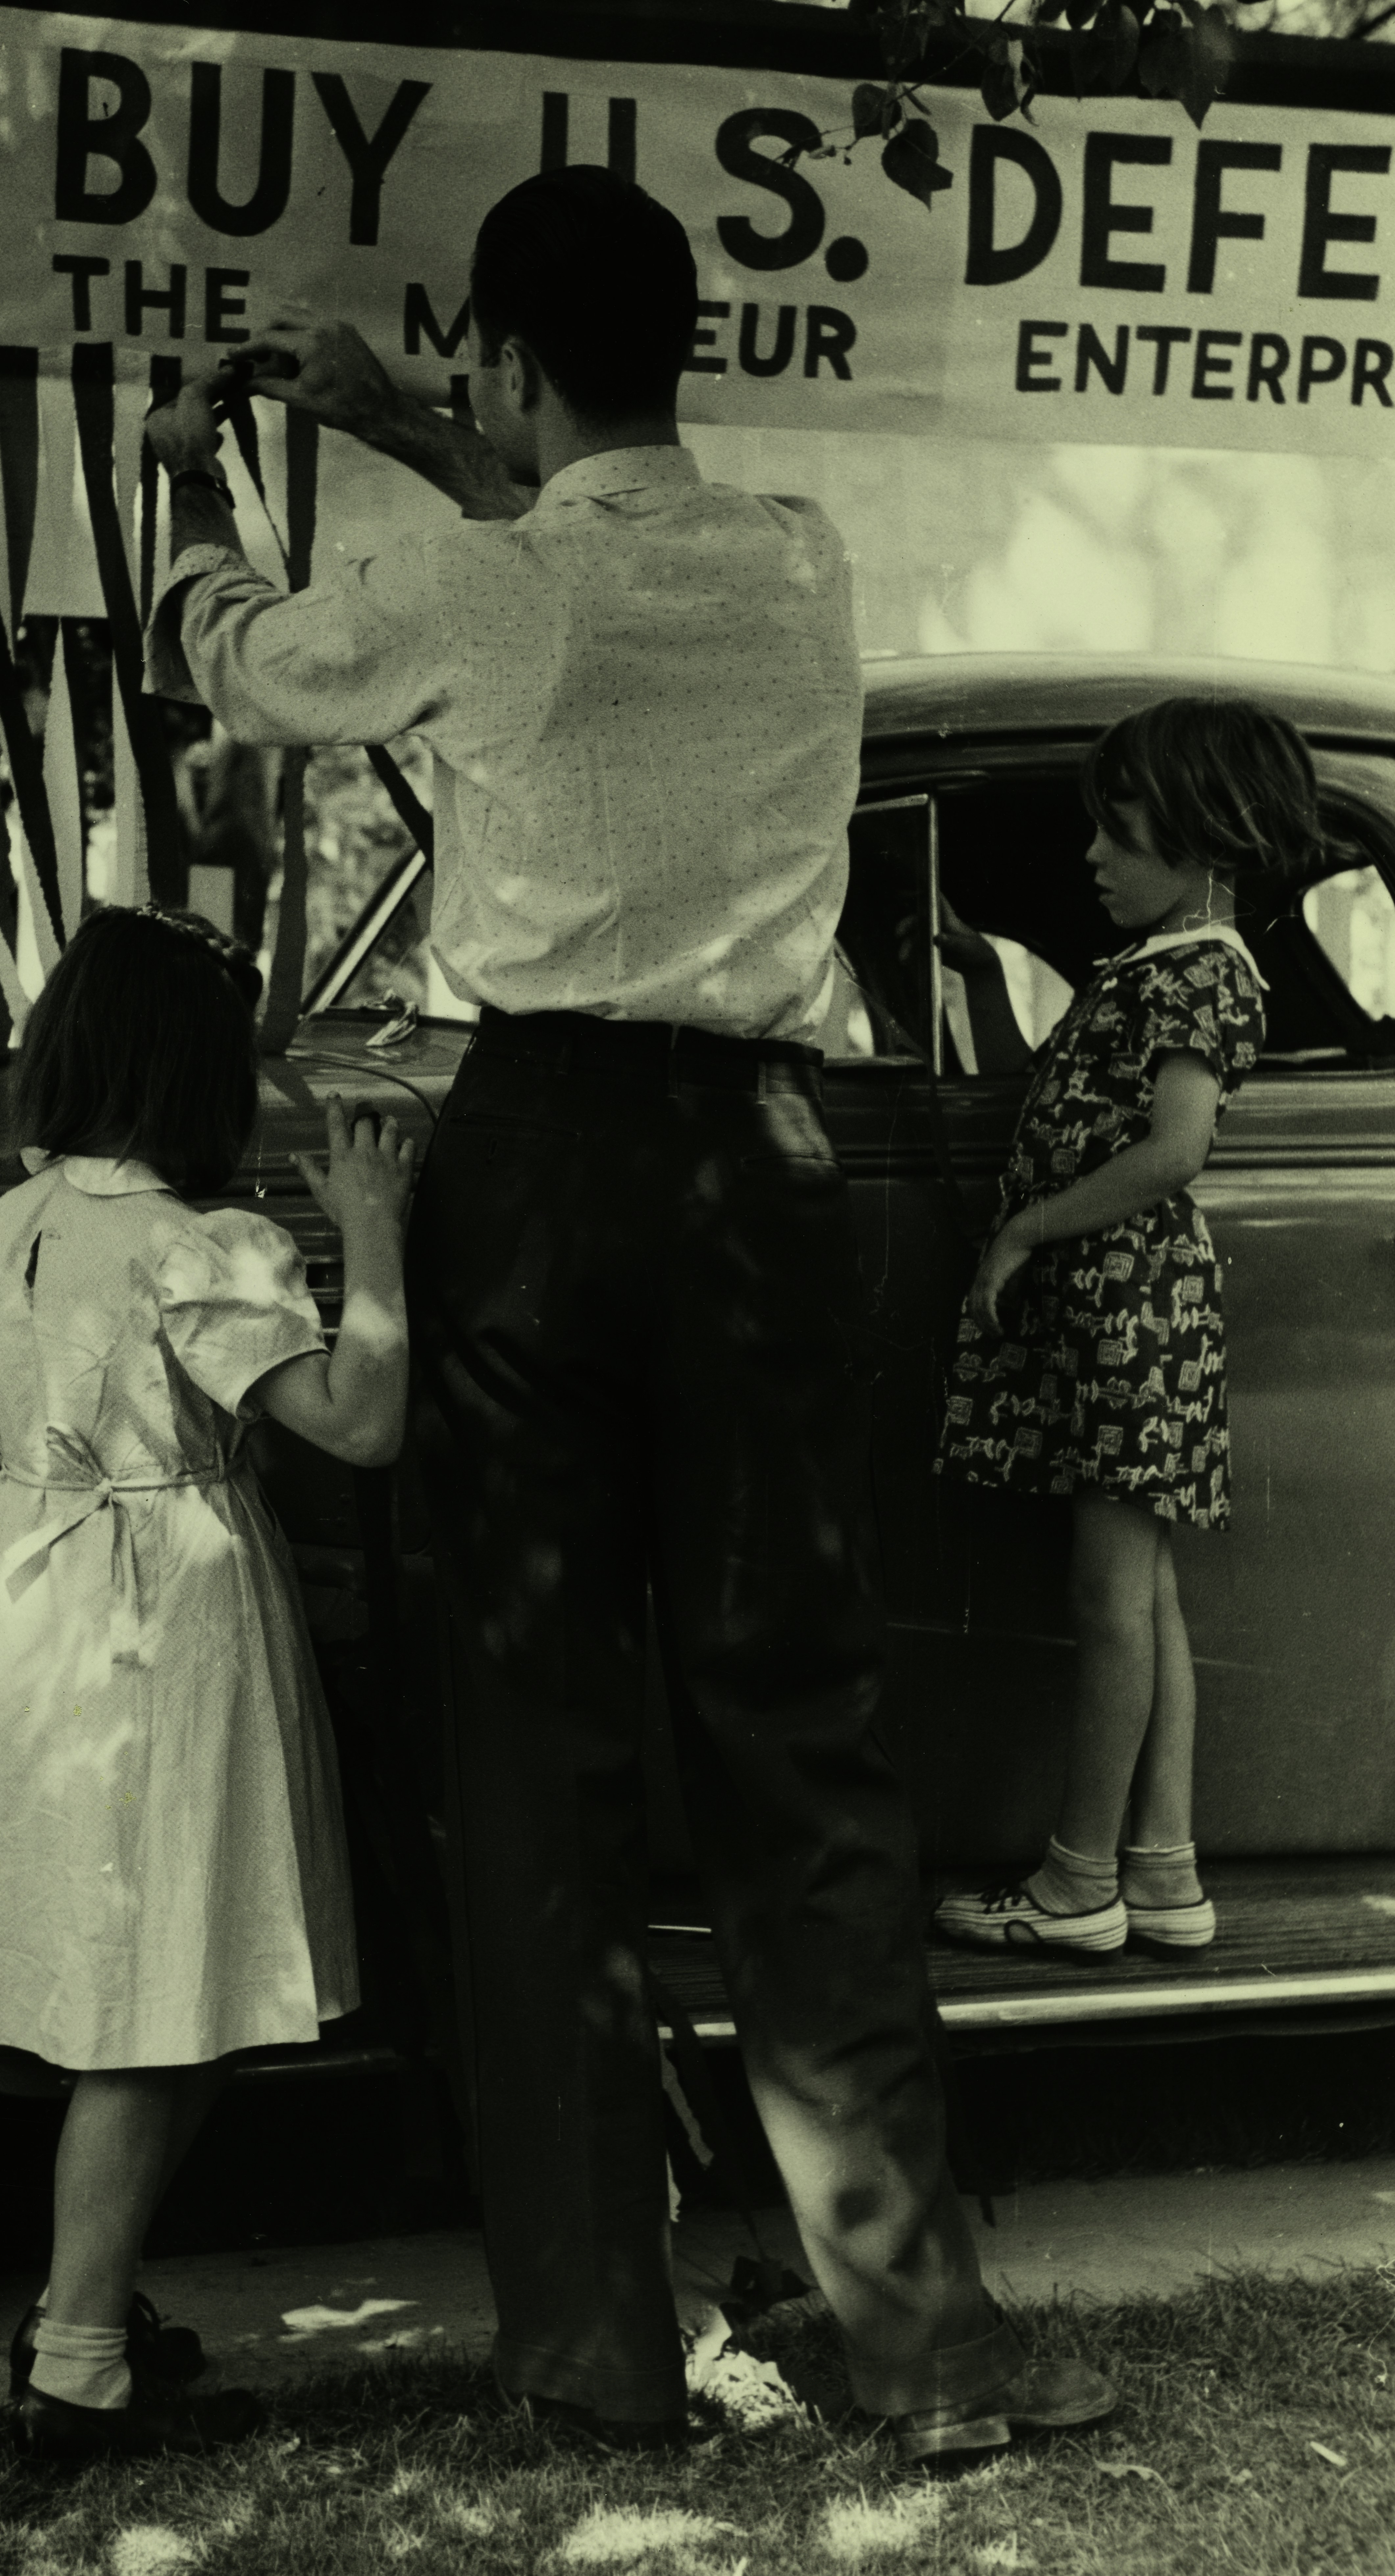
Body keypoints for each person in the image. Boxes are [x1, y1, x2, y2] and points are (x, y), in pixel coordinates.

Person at [143, 163, 1114, 2469]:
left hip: (542, 1167)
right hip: (767, 1175)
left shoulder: (472, 584)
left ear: (495, 355)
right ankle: (921, 2346)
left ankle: (596, 2357)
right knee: (804, 1747)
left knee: (532, 1765)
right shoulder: (796, 557)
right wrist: (433, 409)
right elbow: (586, 527)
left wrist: (202, 493)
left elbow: (259, 658)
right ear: (687, 346)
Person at [0, 904, 414, 2459]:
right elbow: (359, 1419)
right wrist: (375, 1225)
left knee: (144, 1977)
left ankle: (88, 2300)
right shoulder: (204, 1244)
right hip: (164, 1607)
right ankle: (76, 2361)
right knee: (159, 1995)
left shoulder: (4, 1229)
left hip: (34, 1584)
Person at [932, 697, 1324, 1959]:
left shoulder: (1203, 974)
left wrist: (1026, 1230)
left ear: (1207, 836)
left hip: (1128, 1309)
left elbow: (1174, 1148)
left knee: (1108, 1601)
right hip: (1120, 1311)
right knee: (1143, 1598)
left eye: (1121, 829)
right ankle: (1161, 1869)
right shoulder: (1157, 971)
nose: (1093, 856)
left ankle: (1075, 1883)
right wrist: (980, 972)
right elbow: (1062, 1105)